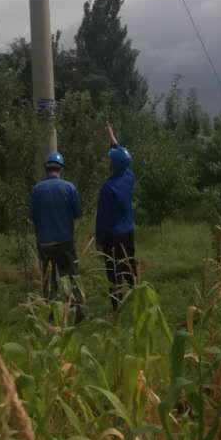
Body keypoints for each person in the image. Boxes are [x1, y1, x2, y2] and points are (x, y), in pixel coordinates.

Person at [28, 150, 84, 320]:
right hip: (64, 241)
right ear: (60, 169)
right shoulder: (69, 188)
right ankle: (76, 312)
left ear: (46, 168)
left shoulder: (36, 190)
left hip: (44, 243)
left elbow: (32, 216)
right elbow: (77, 213)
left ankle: (50, 315)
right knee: (70, 277)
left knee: (48, 280)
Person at [95, 123, 137, 312]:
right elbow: (122, 156)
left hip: (111, 236)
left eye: (110, 160)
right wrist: (111, 136)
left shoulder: (108, 188)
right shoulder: (129, 176)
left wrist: (98, 239)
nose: (109, 162)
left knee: (113, 271)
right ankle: (138, 293)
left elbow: (102, 217)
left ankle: (117, 306)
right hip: (128, 232)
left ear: (114, 165)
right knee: (129, 264)